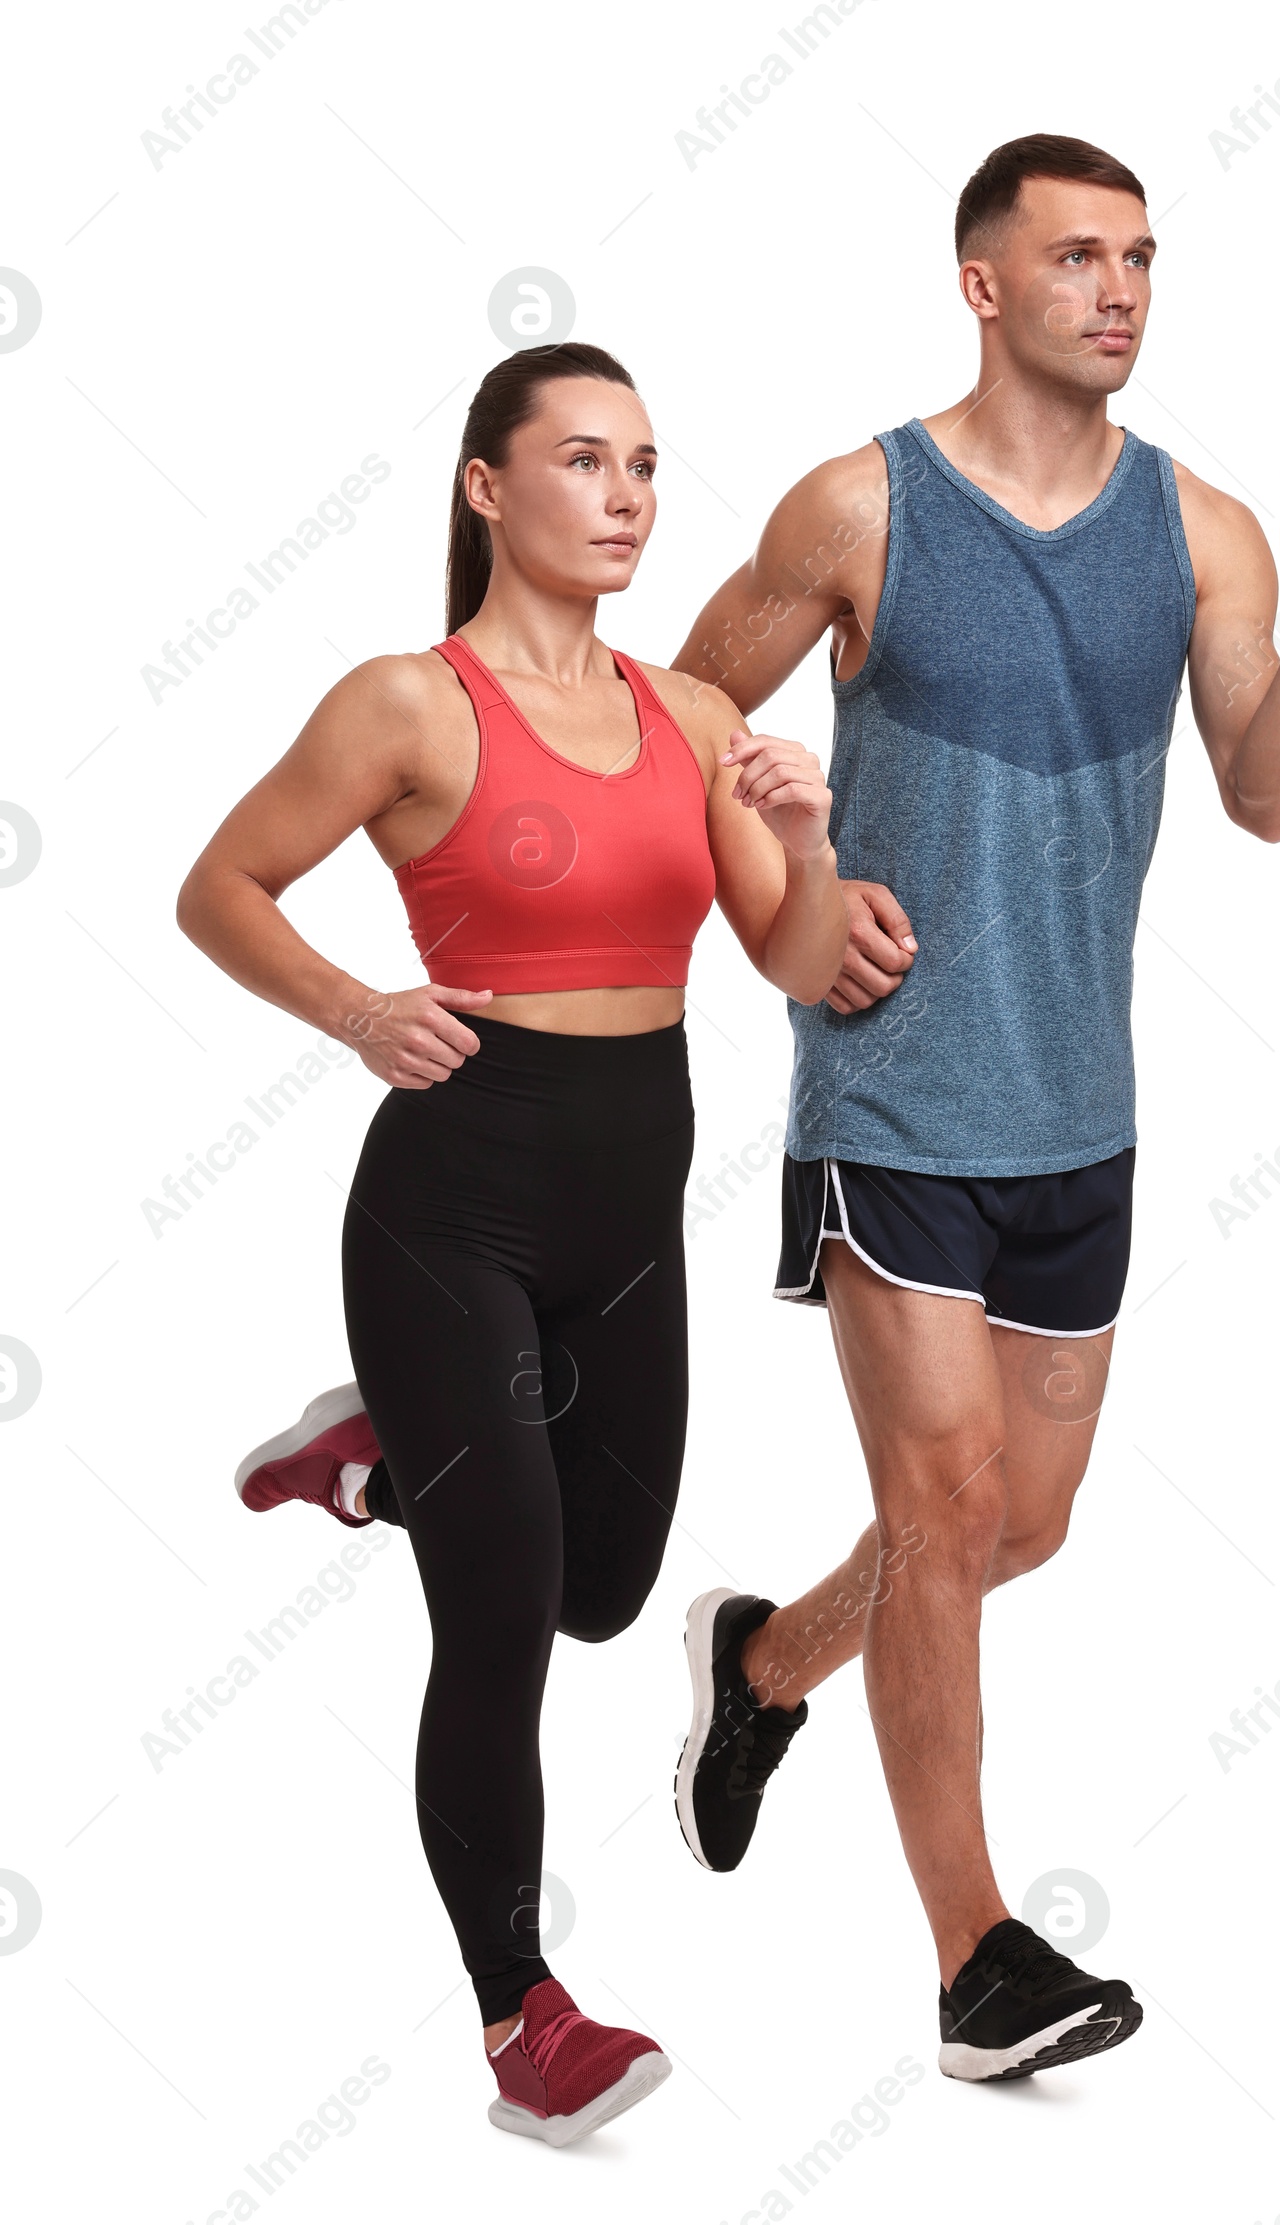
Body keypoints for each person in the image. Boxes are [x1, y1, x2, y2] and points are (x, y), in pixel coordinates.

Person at [669, 132, 1280, 2083]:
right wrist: (795, 897)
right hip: (892, 1099)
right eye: (1074, 256)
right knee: (946, 1505)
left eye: (1139, 256)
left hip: (1077, 1121)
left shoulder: (1205, 531)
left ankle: (758, 1665)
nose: (1118, 288)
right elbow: (671, 722)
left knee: (1008, 1534)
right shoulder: (858, 506)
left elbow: (1267, 791)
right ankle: (975, 1961)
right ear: (980, 284)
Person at [177, 342, 847, 2145]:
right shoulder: (411, 704)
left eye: (645, 464)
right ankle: (519, 2018)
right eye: (583, 460)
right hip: (449, 1204)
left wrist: (807, 828)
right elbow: (218, 886)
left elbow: (793, 961)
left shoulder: (695, 719)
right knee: (502, 1624)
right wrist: (351, 1007)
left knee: (608, 1585)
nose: (628, 494)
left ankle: (379, 1462)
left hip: (629, 1213)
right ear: (488, 487)